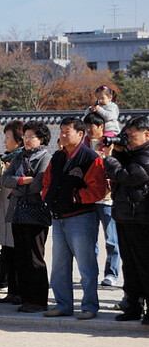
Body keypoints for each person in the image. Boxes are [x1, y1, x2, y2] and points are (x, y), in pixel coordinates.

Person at [42, 117, 107, 319]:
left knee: (86, 265)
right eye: (61, 131)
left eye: (67, 131)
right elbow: (47, 181)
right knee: (59, 265)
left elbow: (98, 189)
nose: (62, 135)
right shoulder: (58, 157)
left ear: (80, 134)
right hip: (58, 216)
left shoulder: (90, 158)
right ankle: (63, 304)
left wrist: (75, 197)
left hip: (81, 217)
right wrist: (48, 197)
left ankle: (89, 306)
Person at [0, 121, 52, 313]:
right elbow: (5, 179)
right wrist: (21, 180)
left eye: (31, 137)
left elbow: (39, 183)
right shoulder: (19, 157)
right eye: (26, 136)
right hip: (18, 213)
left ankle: (38, 300)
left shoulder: (46, 157)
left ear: (42, 139)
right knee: (21, 256)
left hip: (36, 214)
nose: (27, 140)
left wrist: (17, 189)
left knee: (35, 257)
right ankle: (26, 297)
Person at [104, 115, 149, 323]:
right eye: (126, 135)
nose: (128, 139)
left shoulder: (146, 155)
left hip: (142, 219)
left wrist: (110, 158)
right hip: (126, 217)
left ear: (146, 135)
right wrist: (120, 152)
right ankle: (133, 306)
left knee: (144, 265)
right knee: (129, 265)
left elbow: (129, 176)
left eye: (132, 136)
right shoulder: (132, 153)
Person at [83, 111, 120, 287]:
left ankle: (111, 273)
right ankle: (91, 273)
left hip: (107, 199)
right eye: (87, 126)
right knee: (90, 242)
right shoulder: (83, 146)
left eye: (93, 126)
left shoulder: (110, 145)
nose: (89, 129)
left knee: (111, 239)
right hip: (89, 199)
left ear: (101, 127)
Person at [0, 120, 24, 297]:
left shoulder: (20, 159)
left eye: (7, 137)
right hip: (4, 211)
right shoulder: (6, 159)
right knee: (7, 249)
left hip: (16, 211)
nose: (4, 141)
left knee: (14, 249)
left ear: (18, 140)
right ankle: (9, 287)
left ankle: (15, 288)